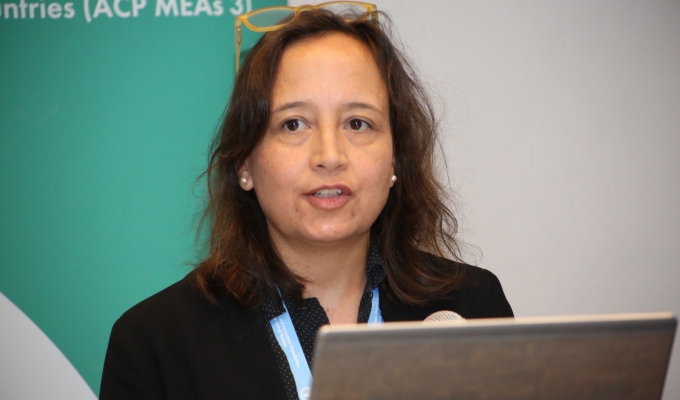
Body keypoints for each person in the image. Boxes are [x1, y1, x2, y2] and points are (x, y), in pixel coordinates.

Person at [100, 3, 513, 399]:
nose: (329, 156)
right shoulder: (156, 343)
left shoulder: (473, 305)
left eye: (358, 123)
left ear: (395, 160)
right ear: (244, 162)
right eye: (293, 124)